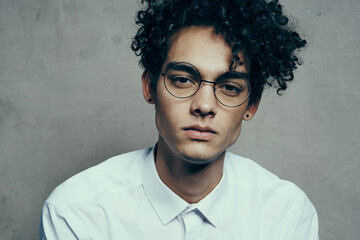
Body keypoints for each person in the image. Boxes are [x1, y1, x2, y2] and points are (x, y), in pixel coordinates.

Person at [40, 0, 319, 239]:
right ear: (150, 86)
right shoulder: (75, 212)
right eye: (183, 80)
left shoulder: (287, 214)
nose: (204, 106)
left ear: (251, 104)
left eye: (229, 87)